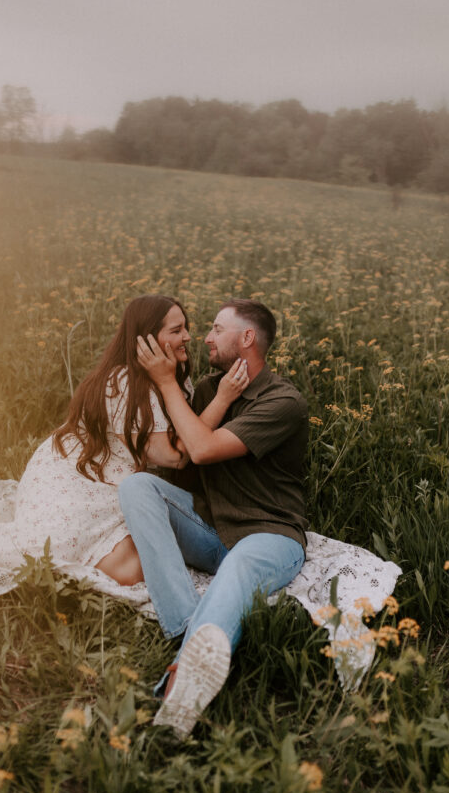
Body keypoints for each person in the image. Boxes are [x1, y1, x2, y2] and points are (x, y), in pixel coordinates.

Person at [0, 294, 246, 594]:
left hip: (123, 481)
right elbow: (173, 455)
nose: (188, 336)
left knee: (150, 556)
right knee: (124, 568)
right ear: (147, 341)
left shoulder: (173, 382)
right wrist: (222, 398)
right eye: (176, 330)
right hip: (77, 481)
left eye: (185, 326)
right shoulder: (124, 382)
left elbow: (186, 437)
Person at [119, 298, 308, 739]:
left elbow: (202, 450)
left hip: (268, 534)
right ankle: (189, 623)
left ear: (246, 339)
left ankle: (178, 692)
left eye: (217, 329)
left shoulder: (284, 402)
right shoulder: (209, 391)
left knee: (241, 565)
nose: (205, 337)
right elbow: (180, 460)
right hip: (211, 531)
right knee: (137, 487)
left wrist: (165, 383)